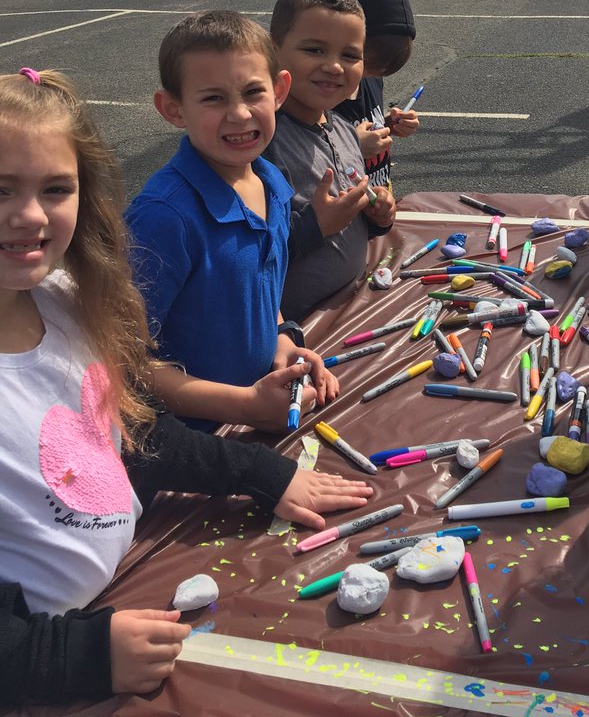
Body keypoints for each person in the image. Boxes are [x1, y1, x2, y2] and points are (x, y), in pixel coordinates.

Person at [0, 68, 372, 705]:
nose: (30, 215)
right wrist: (70, 656)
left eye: (56, 188)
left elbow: (130, 434)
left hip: (124, 578)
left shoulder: (62, 299)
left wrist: (262, 474)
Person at [126, 11, 338, 431]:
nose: (240, 114)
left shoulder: (271, 180)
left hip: (256, 415)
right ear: (173, 108)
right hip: (187, 448)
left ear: (279, 91)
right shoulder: (163, 219)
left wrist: (281, 339)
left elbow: (259, 291)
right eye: (213, 98)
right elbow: (125, 362)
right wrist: (245, 406)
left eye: (252, 92)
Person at [267, 0, 396, 324]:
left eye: (350, 55)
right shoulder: (263, 140)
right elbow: (247, 256)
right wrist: (316, 227)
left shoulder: (342, 129)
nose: (335, 66)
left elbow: (348, 221)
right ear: (274, 50)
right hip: (293, 331)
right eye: (314, 50)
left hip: (348, 307)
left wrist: (378, 217)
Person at [335, 0, 419, 192]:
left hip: (377, 201)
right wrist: (353, 148)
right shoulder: (324, 92)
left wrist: (388, 125)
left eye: (380, 73)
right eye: (367, 67)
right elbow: (308, 158)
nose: (369, 77)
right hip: (346, 212)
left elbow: (363, 122)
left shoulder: (370, 78)